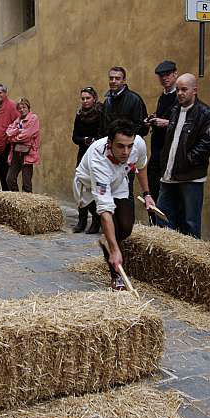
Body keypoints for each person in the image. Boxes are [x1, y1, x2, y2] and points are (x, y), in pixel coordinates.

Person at [73, 119, 156, 290]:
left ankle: (108, 242)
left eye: (129, 146)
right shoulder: (98, 158)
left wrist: (147, 194)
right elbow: (105, 211)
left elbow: (141, 166)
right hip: (91, 186)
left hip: (118, 181)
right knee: (114, 229)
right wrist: (114, 248)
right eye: (120, 146)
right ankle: (116, 276)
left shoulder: (138, 144)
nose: (126, 151)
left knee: (126, 226)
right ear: (110, 143)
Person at [156, 73, 210, 239]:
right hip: (169, 175)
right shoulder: (175, 110)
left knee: (190, 223)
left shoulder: (205, 113)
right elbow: (172, 141)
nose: (180, 93)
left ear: (194, 90)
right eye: (178, 90)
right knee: (162, 217)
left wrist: (185, 162)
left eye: (184, 89)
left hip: (190, 177)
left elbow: (207, 145)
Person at [104, 66, 149, 198]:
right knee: (108, 192)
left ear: (124, 81)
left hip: (127, 153)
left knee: (125, 193)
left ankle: (126, 219)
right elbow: (104, 128)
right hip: (109, 154)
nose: (113, 81)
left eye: (117, 78)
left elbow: (141, 128)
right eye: (111, 78)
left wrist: (126, 142)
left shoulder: (134, 99)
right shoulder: (108, 101)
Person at [146, 61, 179, 218]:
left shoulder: (179, 96)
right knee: (153, 190)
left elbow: (187, 122)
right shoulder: (163, 96)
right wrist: (153, 119)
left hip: (171, 153)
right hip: (157, 152)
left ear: (175, 74)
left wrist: (166, 123)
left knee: (169, 196)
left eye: (167, 75)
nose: (164, 78)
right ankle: (155, 225)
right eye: (161, 76)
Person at [71, 86, 105, 233]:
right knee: (80, 186)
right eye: (83, 98)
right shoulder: (79, 115)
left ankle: (96, 220)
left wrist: (95, 141)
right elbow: (75, 137)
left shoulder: (101, 113)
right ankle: (82, 219)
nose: (85, 101)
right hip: (83, 154)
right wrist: (84, 140)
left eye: (88, 98)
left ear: (94, 98)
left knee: (94, 187)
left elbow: (104, 134)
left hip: (97, 155)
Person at [5, 98, 40, 192]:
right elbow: (8, 132)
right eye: (19, 108)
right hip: (16, 152)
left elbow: (27, 135)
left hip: (28, 153)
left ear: (28, 108)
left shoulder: (33, 118)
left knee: (26, 182)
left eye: (24, 107)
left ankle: (27, 203)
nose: (22, 110)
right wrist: (17, 131)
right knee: (10, 179)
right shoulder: (18, 120)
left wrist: (14, 138)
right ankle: (17, 199)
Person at [0, 84, 19, 190]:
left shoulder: (11, 106)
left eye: (0, 93)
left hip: (7, 144)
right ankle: (5, 193)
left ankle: (11, 195)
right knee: (1, 173)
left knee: (8, 174)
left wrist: (9, 137)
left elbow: (17, 123)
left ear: (5, 93)